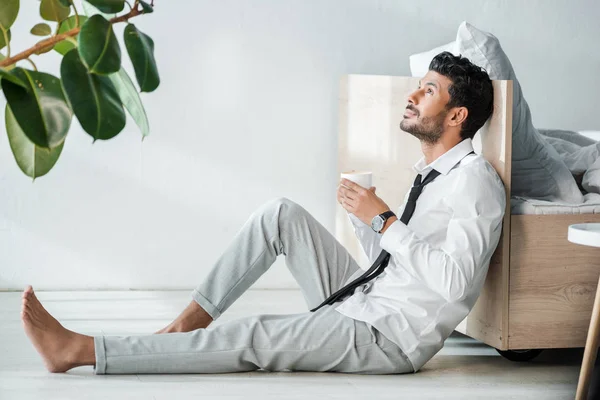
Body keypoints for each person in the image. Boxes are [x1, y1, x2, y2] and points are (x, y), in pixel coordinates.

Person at [20, 52, 505, 375]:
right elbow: (395, 263)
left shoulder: (475, 182)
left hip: (387, 337)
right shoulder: (431, 171)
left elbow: (455, 283)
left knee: (253, 335)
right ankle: (188, 321)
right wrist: (365, 221)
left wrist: (384, 221)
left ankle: (82, 350)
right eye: (418, 88)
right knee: (281, 214)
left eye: (428, 90)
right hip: (367, 298)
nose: (412, 96)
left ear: (457, 115)